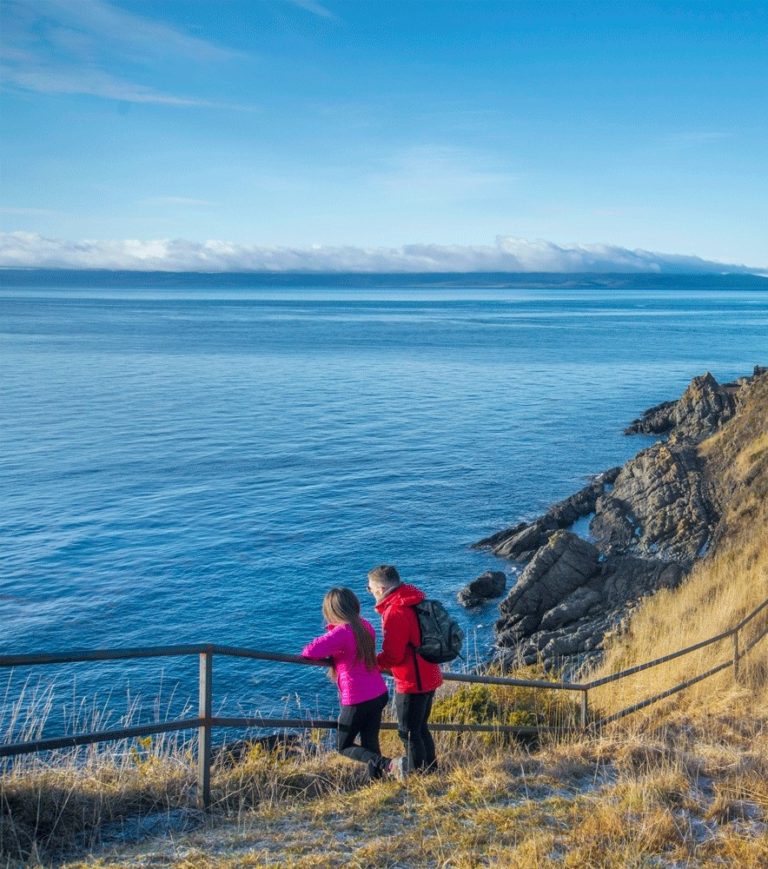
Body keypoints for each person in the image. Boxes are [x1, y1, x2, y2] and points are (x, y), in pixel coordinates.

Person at [301, 587, 391, 780]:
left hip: (357, 697)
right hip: (378, 692)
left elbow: (309, 651)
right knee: (370, 741)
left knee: (343, 746)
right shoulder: (365, 625)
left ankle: (388, 764)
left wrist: (332, 634)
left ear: (332, 611)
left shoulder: (342, 632)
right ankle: (377, 781)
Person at [368, 564, 442, 776]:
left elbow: (394, 655)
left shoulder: (396, 611)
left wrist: (370, 663)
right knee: (420, 728)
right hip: (430, 672)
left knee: (408, 732)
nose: (371, 593)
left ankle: (418, 774)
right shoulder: (415, 599)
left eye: (370, 589)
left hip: (412, 680)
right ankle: (431, 771)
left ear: (381, 589)